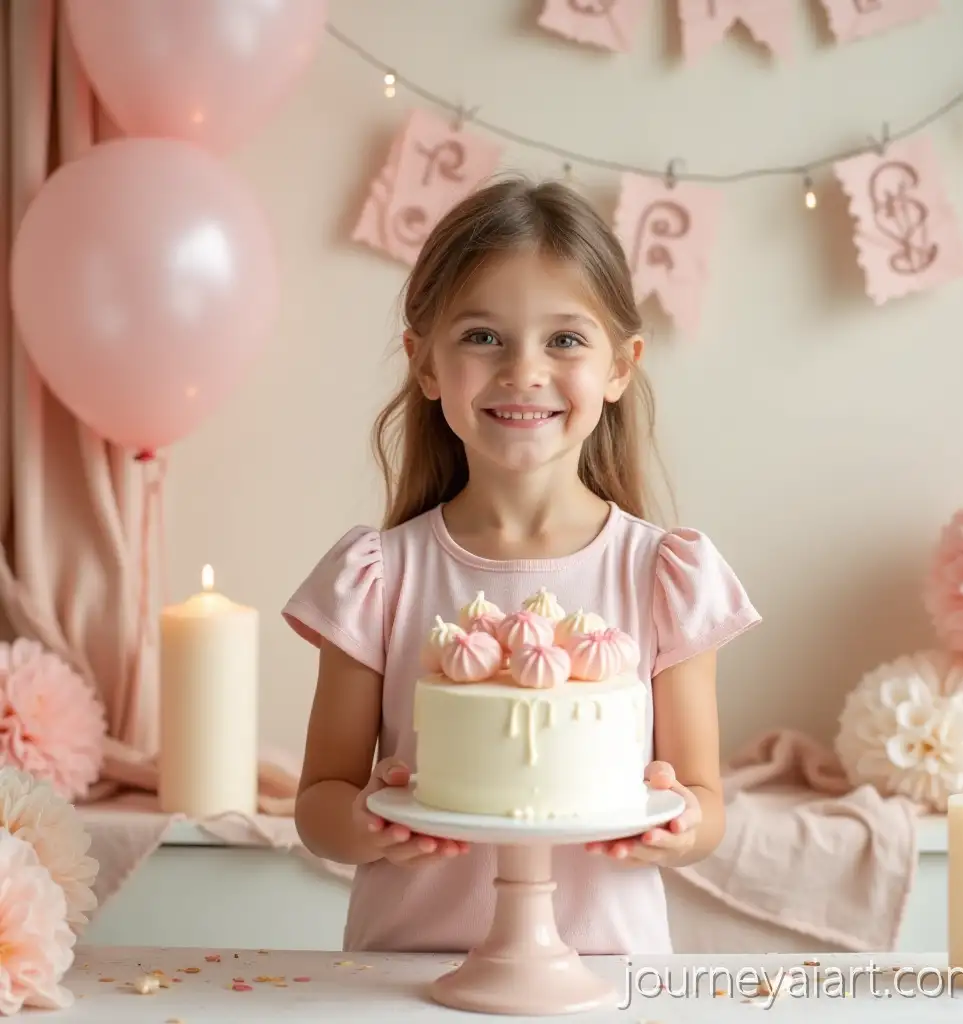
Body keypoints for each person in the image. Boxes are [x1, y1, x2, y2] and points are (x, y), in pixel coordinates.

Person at [282, 176, 760, 955]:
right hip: (410, 983)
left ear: (619, 367)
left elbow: (704, 801)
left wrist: (680, 824)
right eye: (482, 336)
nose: (524, 371)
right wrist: (369, 819)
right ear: (425, 363)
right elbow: (318, 803)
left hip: (608, 984)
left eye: (565, 340)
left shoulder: (663, 575)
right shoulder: (380, 576)